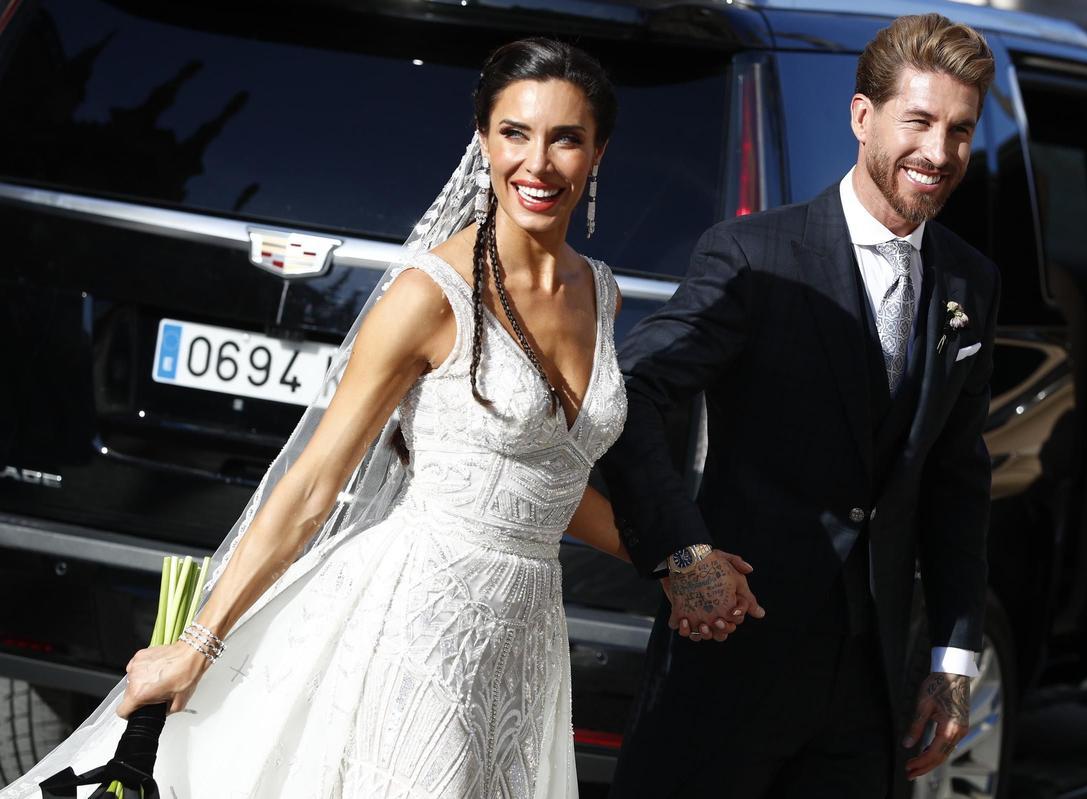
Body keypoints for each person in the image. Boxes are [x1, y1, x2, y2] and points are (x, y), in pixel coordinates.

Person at [2, 37, 756, 799]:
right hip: (416, 626)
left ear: (599, 152)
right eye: (515, 133)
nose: (539, 163)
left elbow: (543, 493)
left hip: (526, 644)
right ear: (484, 141)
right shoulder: (430, 295)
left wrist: (681, 563)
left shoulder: (599, 291)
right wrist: (198, 642)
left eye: (566, 138)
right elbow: (313, 481)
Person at [601, 13, 999, 798]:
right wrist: (683, 553)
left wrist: (953, 658)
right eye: (918, 120)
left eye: (960, 130)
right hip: (729, 660)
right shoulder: (754, 255)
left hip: (869, 684)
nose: (939, 152)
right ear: (862, 116)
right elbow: (632, 392)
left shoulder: (969, 282)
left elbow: (958, 479)